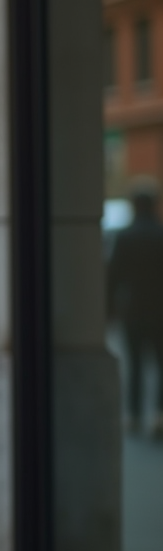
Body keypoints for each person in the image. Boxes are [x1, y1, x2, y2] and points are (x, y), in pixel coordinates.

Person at [107, 181, 163, 438]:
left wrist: (108, 311)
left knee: (135, 364)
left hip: (133, 309)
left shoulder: (125, 237)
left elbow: (114, 277)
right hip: (160, 309)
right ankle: (158, 414)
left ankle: (134, 414)